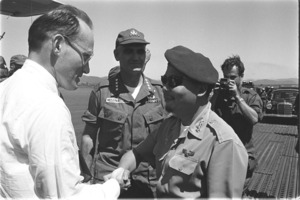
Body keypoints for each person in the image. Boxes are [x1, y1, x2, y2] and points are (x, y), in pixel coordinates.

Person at [0, 5, 120, 199]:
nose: (88, 68)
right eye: (86, 56)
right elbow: (67, 196)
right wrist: (114, 186)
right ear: (57, 45)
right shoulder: (48, 106)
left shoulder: (5, 89)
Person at [105, 45, 249, 198]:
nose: (165, 87)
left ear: (200, 89)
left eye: (173, 81)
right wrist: (121, 170)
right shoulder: (170, 126)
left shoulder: (224, 143)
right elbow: (136, 153)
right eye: (164, 80)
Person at [80, 28, 166, 198]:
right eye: (128, 51)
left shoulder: (160, 92)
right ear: (116, 54)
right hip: (108, 180)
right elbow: (88, 138)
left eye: (140, 51)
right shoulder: (102, 92)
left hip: (148, 184)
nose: (135, 57)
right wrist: (86, 177)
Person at [211, 55, 263, 179]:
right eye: (226, 77)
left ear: (241, 77)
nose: (229, 81)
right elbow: (205, 114)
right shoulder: (218, 96)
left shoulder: (250, 96)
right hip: (220, 154)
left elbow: (254, 118)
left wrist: (237, 97)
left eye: (233, 77)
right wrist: (214, 95)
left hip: (243, 154)